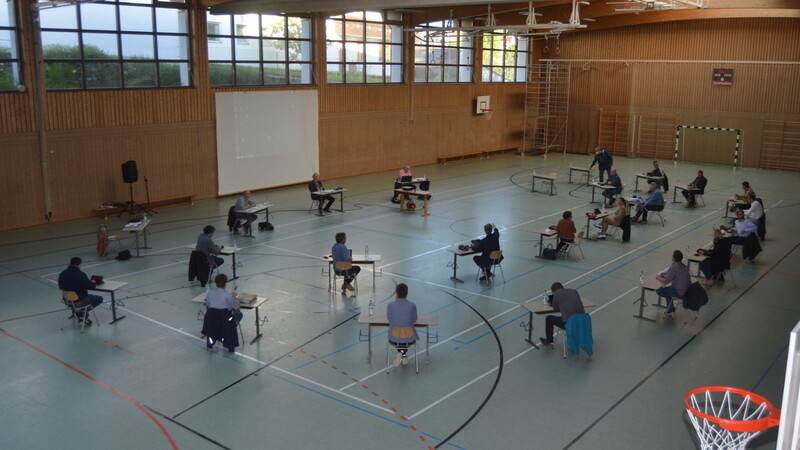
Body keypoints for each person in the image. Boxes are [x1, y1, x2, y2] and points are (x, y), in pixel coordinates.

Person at [58, 257, 104, 325]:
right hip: (79, 301)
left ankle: (79, 313)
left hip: (67, 301)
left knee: (81, 296)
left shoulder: (62, 274)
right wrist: (93, 282)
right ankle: (81, 313)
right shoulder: (80, 274)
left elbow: (60, 286)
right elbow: (91, 286)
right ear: (79, 265)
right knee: (99, 298)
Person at [202, 273, 241, 353]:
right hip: (224, 320)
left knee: (217, 321)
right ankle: (229, 343)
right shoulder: (227, 295)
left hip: (212, 320)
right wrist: (235, 297)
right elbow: (236, 306)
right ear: (225, 284)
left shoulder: (210, 293)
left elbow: (208, 304)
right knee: (239, 315)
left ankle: (210, 344)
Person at [539, 282, 585, 348]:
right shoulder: (574, 291)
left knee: (549, 318)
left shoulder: (557, 295)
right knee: (569, 315)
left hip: (569, 324)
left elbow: (556, 308)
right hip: (582, 322)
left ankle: (549, 342)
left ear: (555, 290)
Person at [387, 283, 418, 367]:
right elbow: (414, 319)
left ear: (396, 293)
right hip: (409, 337)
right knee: (405, 337)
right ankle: (403, 355)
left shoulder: (390, 305)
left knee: (400, 337)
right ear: (406, 293)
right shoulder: (412, 305)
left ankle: (401, 353)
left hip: (394, 337)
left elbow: (390, 319)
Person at [656, 250, 691, 316]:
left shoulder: (673, 267)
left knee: (660, 291)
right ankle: (670, 309)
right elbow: (677, 274)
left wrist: (658, 277)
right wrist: (668, 274)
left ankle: (671, 309)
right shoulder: (684, 266)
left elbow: (666, 281)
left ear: (673, 258)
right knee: (669, 290)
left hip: (680, 293)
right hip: (688, 291)